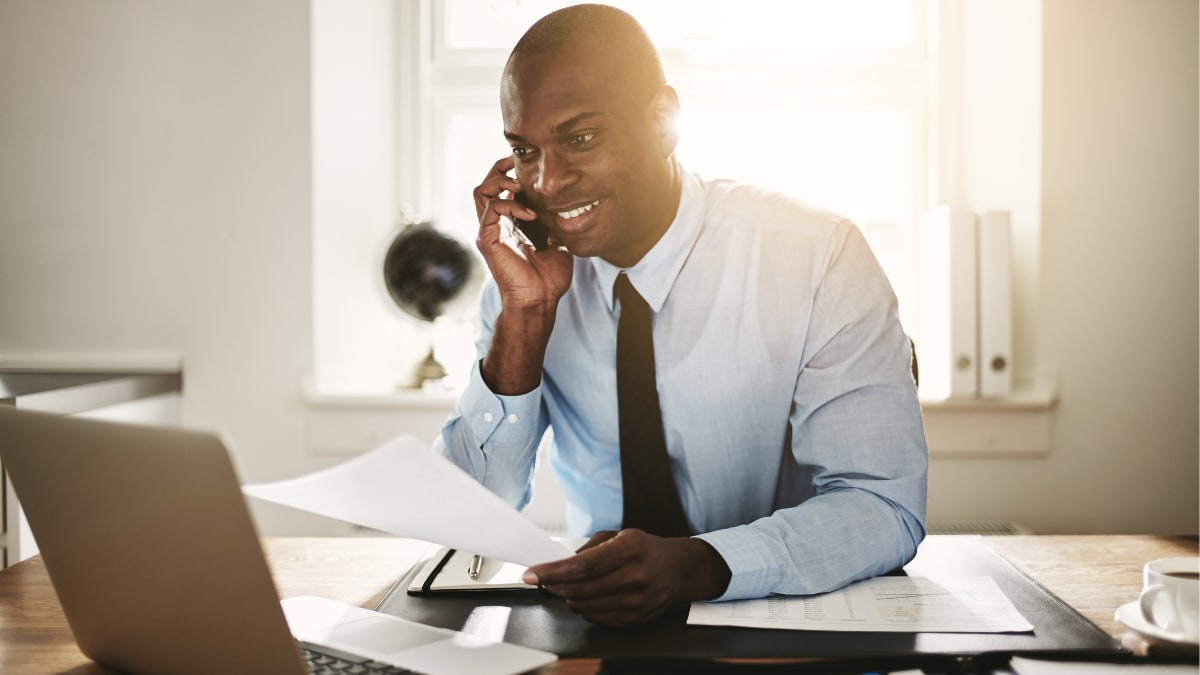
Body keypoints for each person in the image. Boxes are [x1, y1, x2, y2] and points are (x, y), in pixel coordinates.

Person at [438, 3, 928, 627]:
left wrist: (699, 563)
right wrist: (526, 318)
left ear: (662, 122)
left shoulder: (816, 256)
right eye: (524, 150)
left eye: (580, 138)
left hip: (788, 626)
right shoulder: (523, 287)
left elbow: (883, 506)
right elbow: (466, 517)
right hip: (599, 627)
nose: (549, 181)